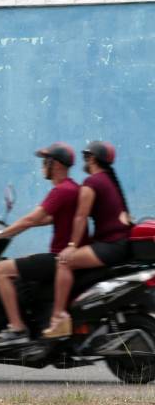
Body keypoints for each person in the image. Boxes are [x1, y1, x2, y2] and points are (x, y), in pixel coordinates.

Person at [0, 142, 85, 346]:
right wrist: (16, 229)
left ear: (56, 165)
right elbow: (46, 219)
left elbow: (31, 219)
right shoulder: (73, 188)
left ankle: (17, 329)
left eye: (46, 161)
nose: (43, 166)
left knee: (0, 269)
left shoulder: (61, 191)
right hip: (70, 257)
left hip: (59, 258)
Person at [43, 141, 131, 338]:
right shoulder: (108, 181)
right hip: (120, 245)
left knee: (64, 262)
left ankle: (58, 318)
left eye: (86, 157)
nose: (84, 161)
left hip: (110, 246)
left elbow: (81, 217)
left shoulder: (92, 182)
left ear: (92, 159)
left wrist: (72, 246)